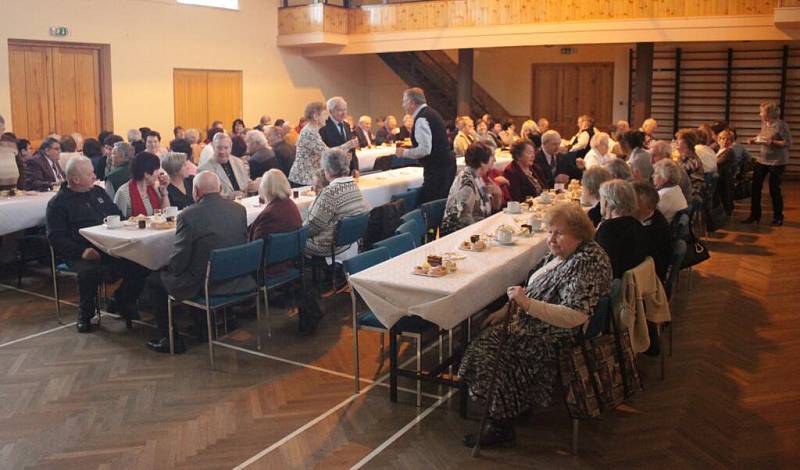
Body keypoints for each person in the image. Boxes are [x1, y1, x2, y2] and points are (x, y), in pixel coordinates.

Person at [459, 203, 612, 447]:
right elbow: (534, 286)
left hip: (557, 336)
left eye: (559, 233)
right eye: (550, 231)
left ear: (579, 233)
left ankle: (501, 424)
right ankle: (514, 404)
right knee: (485, 332)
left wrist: (526, 304)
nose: (551, 239)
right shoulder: (564, 253)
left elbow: (574, 315)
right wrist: (506, 309)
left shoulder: (588, 263)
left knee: (486, 350)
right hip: (534, 323)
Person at [145, 171, 256, 353]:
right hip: (236, 275)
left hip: (205, 281)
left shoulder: (188, 215)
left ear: (195, 191)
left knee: (155, 281)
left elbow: (180, 259)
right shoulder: (238, 209)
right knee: (198, 265)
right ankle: (207, 324)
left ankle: (170, 339)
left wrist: (167, 268)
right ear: (219, 188)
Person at [46, 156, 149, 332]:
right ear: (76, 180)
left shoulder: (98, 193)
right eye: (90, 174)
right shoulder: (58, 204)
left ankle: (122, 299)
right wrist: (81, 252)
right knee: (89, 272)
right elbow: (56, 238)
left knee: (141, 261)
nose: (95, 177)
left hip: (108, 246)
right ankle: (85, 314)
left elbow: (116, 214)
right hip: (80, 251)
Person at [394, 87, 457, 203]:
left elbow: (424, 150)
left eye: (404, 101)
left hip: (437, 169)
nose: (403, 105)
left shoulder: (422, 118)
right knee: (441, 202)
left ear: (412, 102)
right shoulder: (432, 113)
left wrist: (404, 152)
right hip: (445, 165)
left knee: (432, 204)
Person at [305, 149, 369, 258]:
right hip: (350, 241)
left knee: (291, 242)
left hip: (329, 246)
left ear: (328, 170)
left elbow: (311, 227)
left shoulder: (329, 193)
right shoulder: (354, 186)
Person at [743, 102, 792, 226]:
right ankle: (754, 215)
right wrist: (754, 140)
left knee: (774, 189)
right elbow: (762, 136)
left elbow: (788, 143)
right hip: (762, 159)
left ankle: (778, 217)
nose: (760, 114)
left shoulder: (781, 125)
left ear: (769, 113)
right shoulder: (765, 123)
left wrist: (773, 142)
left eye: (761, 112)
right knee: (755, 187)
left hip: (777, 161)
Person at [289, 101, 358, 187]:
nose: (327, 118)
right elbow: (327, 153)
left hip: (309, 176)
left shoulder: (313, 130)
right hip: (303, 178)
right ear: (315, 116)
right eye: (325, 114)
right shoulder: (309, 132)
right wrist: (347, 145)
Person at [248, 169, 303, 276]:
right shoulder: (291, 205)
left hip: (270, 265)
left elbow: (256, 247)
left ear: (266, 189)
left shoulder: (270, 214)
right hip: (289, 258)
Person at [595, 179, 650, 279]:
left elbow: (602, 267)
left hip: (615, 286)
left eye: (601, 199)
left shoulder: (608, 230)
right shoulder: (638, 225)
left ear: (607, 203)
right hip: (634, 284)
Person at [441, 143, 498, 234]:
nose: (495, 160)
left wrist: (498, 194)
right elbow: (463, 220)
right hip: (459, 235)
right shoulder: (467, 184)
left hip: (476, 228)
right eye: (492, 157)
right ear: (482, 162)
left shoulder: (476, 177)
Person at [632, 181, 672, 282]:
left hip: (652, 278)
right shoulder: (651, 217)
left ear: (648, 208)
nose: (630, 205)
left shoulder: (654, 228)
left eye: (634, 202)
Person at [197, 132, 256, 199]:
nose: (222, 151)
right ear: (213, 147)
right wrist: (228, 197)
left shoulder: (238, 162)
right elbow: (206, 197)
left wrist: (256, 185)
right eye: (219, 148)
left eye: (226, 148)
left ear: (231, 148)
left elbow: (246, 182)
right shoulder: (204, 170)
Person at [114, 152, 170, 217]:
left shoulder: (153, 188)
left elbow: (165, 214)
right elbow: (118, 220)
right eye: (156, 170)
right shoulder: (123, 193)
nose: (159, 173)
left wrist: (164, 193)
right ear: (146, 174)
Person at [318, 97, 360, 178]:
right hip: (333, 172)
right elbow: (324, 152)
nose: (344, 113)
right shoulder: (323, 127)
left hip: (348, 170)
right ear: (330, 111)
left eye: (345, 110)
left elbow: (352, 150)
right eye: (340, 110)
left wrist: (355, 167)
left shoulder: (346, 125)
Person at [653, 159, 688, 223]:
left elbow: (651, 215)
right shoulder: (676, 188)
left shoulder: (665, 195)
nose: (653, 176)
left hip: (665, 229)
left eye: (656, 173)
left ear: (664, 178)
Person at [675, 128, 706, 199]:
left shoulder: (692, 160)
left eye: (678, 140)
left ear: (686, 143)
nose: (676, 142)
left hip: (690, 195)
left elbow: (678, 177)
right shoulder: (684, 157)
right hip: (684, 191)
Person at [715, 129, 738, 215]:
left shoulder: (729, 151)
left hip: (725, 179)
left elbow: (718, 163)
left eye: (728, 139)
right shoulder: (719, 150)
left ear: (732, 141)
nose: (725, 141)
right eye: (723, 138)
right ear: (718, 140)